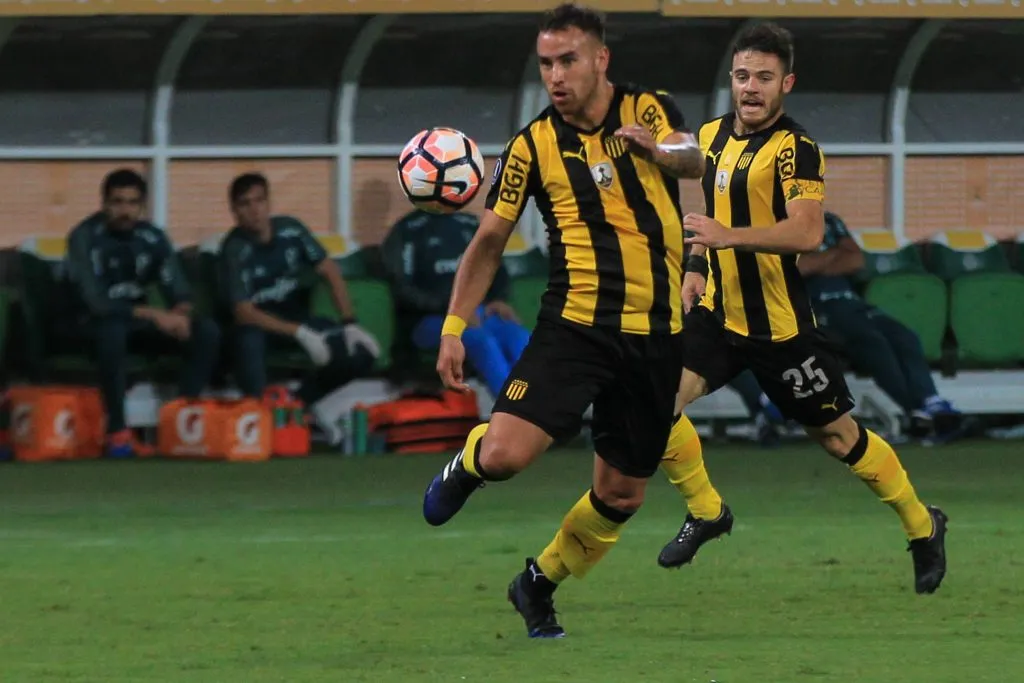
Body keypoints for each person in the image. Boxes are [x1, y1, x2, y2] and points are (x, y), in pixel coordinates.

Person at [420, 2, 705, 638]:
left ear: (600, 59)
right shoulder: (531, 146)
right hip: (575, 325)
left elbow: (693, 158)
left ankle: (537, 584)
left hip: (656, 334)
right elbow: (489, 241)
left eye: (568, 60)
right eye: (546, 63)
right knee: (505, 456)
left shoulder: (648, 111)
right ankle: (469, 464)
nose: (555, 74)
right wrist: (453, 327)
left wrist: (657, 150)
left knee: (623, 496)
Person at [651, 23, 948, 595]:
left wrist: (727, 237)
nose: (751, 88)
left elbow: (808, 234)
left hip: (780, 330)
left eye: (764, 78)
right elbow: (704, 221)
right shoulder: (711, 137)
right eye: (742, 77)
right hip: (717, 315)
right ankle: (707, 511)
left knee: (839, 439)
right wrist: (693, 268)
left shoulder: (797, 150)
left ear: (786, 82)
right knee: (654, 399)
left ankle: (922, 525)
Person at [59, 168, 221, 458]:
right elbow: (96, 303)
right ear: (104, 204)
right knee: (112, 329)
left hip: (137, 324)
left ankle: (180, 423)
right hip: (86, 326)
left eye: (132, 203)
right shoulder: (84, 237)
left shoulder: (152, 237)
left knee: (205, 330)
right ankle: (118, 432)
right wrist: (156, 315)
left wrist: (180, 313)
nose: (125, 210)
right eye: (117, 202)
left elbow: (180, 291)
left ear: (141, 206)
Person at [216, 173, 380, 445]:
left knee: (360, 353)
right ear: (234, 211)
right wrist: (299, 333)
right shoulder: (233, 249)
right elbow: (243, 311)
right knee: (248, 340)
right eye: (245, 204)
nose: (254, 210)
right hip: (257, 325)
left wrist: (350, 322)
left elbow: (329, 269)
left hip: (295, 317)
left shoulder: (291, 230)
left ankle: (296, 404)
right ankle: (261, 423)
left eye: (259, 201)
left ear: (268, 203)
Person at [802, 211, 962, 440]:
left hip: (853, 303)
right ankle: (915, 409)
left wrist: (818, 262)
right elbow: (796, 268)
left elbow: (856, 260)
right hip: (816, 308)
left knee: (905, 337)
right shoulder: (774, 224)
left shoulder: (829, 220)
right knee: (873, 342)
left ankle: (930, 401)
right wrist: (835, 254)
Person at [381, 208, 530, 398]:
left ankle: (540, 411)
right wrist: (454, 312)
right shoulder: (406, 230)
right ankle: (513, 414)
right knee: (482, 341)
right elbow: (403, 290)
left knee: (519, 338)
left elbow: (495, 268)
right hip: (428, 321)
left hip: (477, 313)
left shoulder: (471, 224)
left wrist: (498, 299)